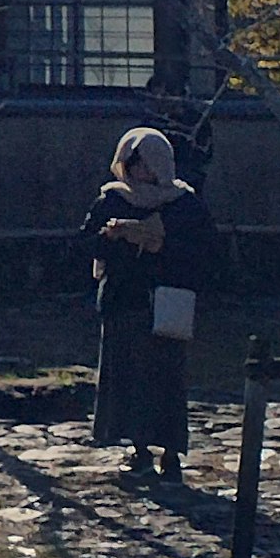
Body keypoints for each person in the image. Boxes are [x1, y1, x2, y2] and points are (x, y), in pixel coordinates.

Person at [86, 123, 211, 486]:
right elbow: (86, 244)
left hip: (166, 301)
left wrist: (160, 243)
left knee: (166, 381)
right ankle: (138, 450)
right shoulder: (112, 199)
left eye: (142, 162)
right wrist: (114, 236)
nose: (137, 169)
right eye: (131, 161)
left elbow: (203, 252)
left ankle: (170, 454)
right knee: (128, 379)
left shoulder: (184, 204)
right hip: (124, 300)